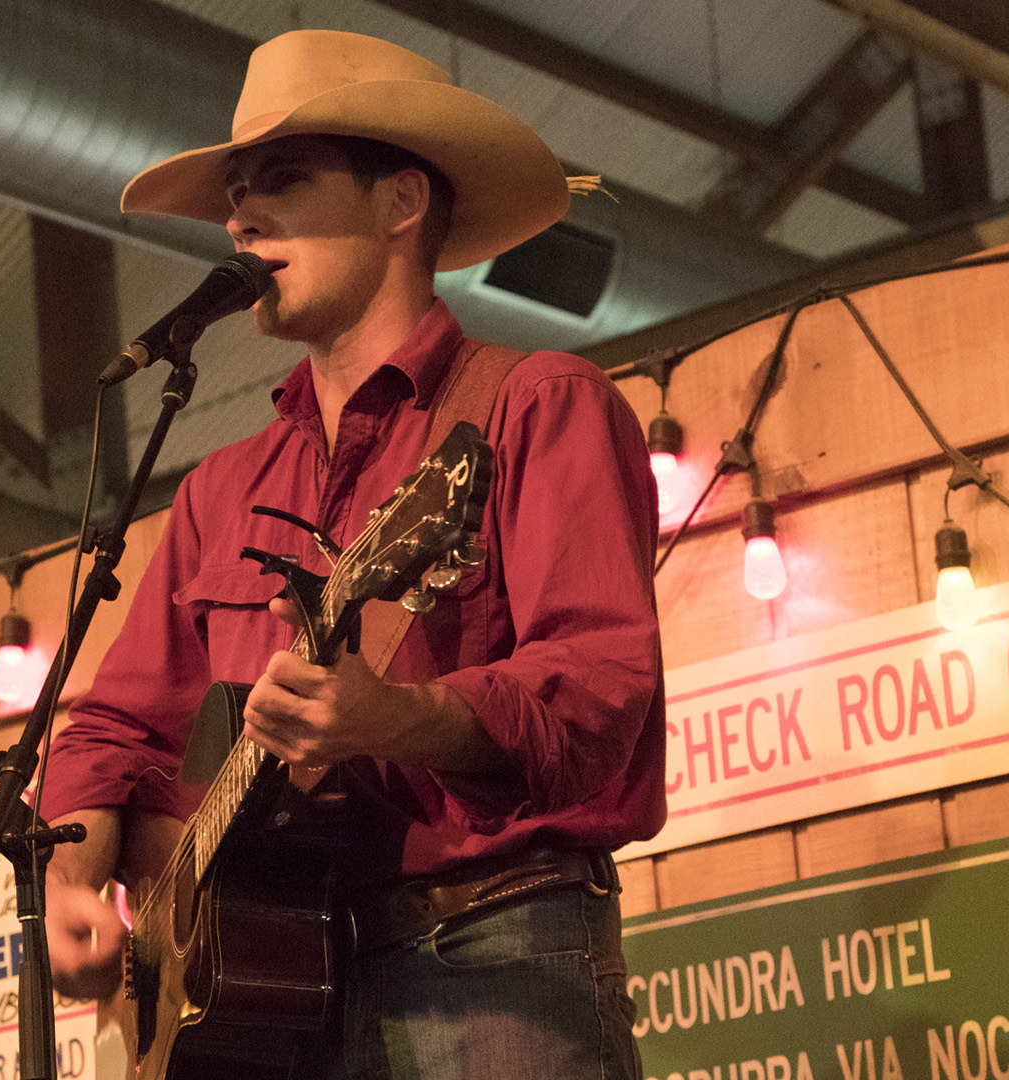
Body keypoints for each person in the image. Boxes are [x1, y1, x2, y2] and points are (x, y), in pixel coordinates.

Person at [36, 28, 665, 1080]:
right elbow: (114, 723)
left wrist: (398, 718)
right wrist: (75, 874)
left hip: (489, 953)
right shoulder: (218, 490)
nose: (240, 217)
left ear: (401, 204)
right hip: (264, 995)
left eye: (281, 180)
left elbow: (603, 692)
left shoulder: (535, 406)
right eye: (236, 194)